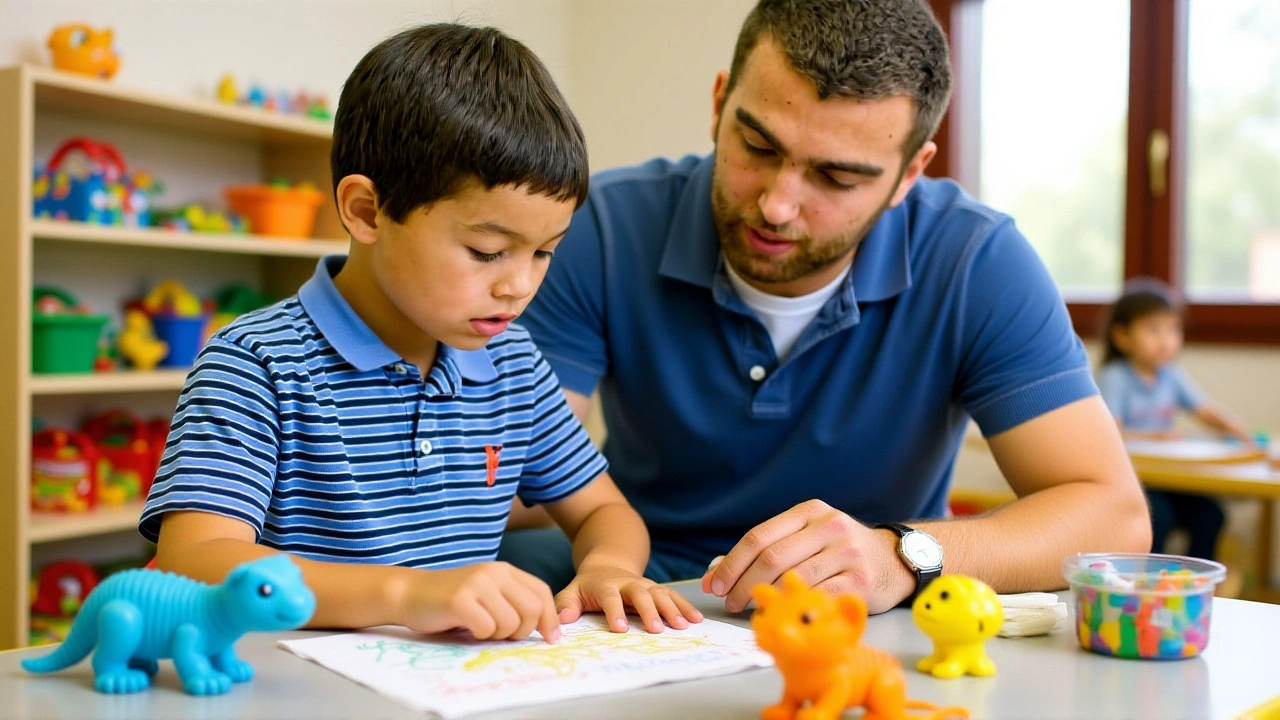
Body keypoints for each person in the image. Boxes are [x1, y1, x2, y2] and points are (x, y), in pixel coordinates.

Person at [500, 0, 1150, 614]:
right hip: (646, 592)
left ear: (908, 174)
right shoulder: (603, 227)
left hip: (868, 613)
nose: (778, 205)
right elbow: (515, 471)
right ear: (720, 102)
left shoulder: (974, 261)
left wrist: (899, 554)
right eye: (757, 147)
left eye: (836, 178)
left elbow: (1113, 516)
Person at [140, 23, 702, 644]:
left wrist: (608, 567)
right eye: (488, 251)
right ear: (366, 211)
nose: (519, 286)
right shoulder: (255, 363)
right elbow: (194, 559)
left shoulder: (513, 364)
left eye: (544, 252)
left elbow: (602, 509)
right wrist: (406, 593)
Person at [1097, 279, 1251, 560]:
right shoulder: (1114, 377)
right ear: (1122, 336)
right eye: (1153, 329)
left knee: (1210, 514)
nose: (1166, 340)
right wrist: (1154, 436)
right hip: (1134, 482)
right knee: (1159, 518)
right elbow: (1109, 434)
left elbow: (1204, 409)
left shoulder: (1170, 375)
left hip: (1169, 479)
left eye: (1173, 329)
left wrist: (1233, 426)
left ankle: (1197, 586)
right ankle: (1147, 588)